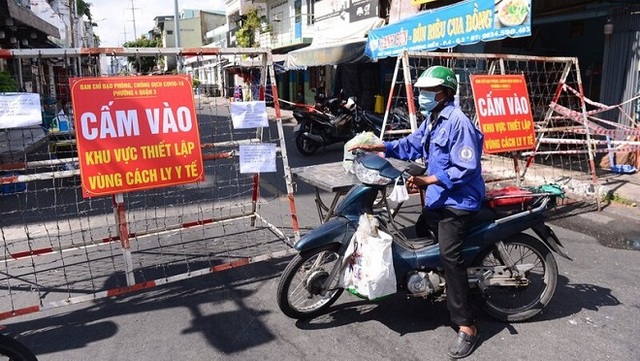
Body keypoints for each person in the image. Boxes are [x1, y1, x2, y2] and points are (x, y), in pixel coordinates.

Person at [349, 65, 485, 359]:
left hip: (459, 201)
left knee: (450, 255)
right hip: (438, 199)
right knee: (421, 234)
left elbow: (466, 167)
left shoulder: (458, 122)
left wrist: (428, 179)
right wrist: (377, 146)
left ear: (445, 93)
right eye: (421, 91)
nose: (422, 96)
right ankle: (434, 286)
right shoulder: (434, 119)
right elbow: (411, 145)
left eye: (428, 91)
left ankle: (467, 326)